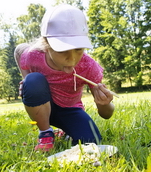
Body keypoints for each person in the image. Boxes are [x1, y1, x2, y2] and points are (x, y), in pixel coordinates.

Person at [14, 4, 115, 152]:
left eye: (78, 49)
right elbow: (19, 51)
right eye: (62, 50)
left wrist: (104, 104)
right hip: (42, 105)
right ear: (46, 43)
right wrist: (26, 78)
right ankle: (46, 133)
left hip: (70, 109)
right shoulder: (35, 55)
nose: (72, 58)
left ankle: (65, 131)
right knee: (33, 80)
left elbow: (107, 114)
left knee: (91, 142)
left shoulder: (88, 66)